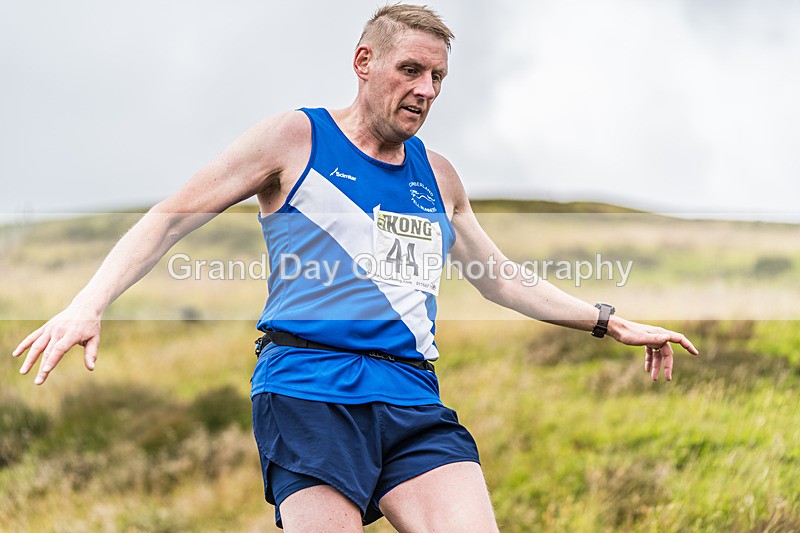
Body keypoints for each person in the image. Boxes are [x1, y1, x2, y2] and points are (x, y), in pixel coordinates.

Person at [12, 5, 698, 532]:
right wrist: (87, 303)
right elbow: (172, 214)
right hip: (309, 390)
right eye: (411, 70)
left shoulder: (440, 176)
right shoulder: (297, 138)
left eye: (438, 78)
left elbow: (499, 276)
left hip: (411, 397)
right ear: (364, 61)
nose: (426, 89)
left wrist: (609, 320)